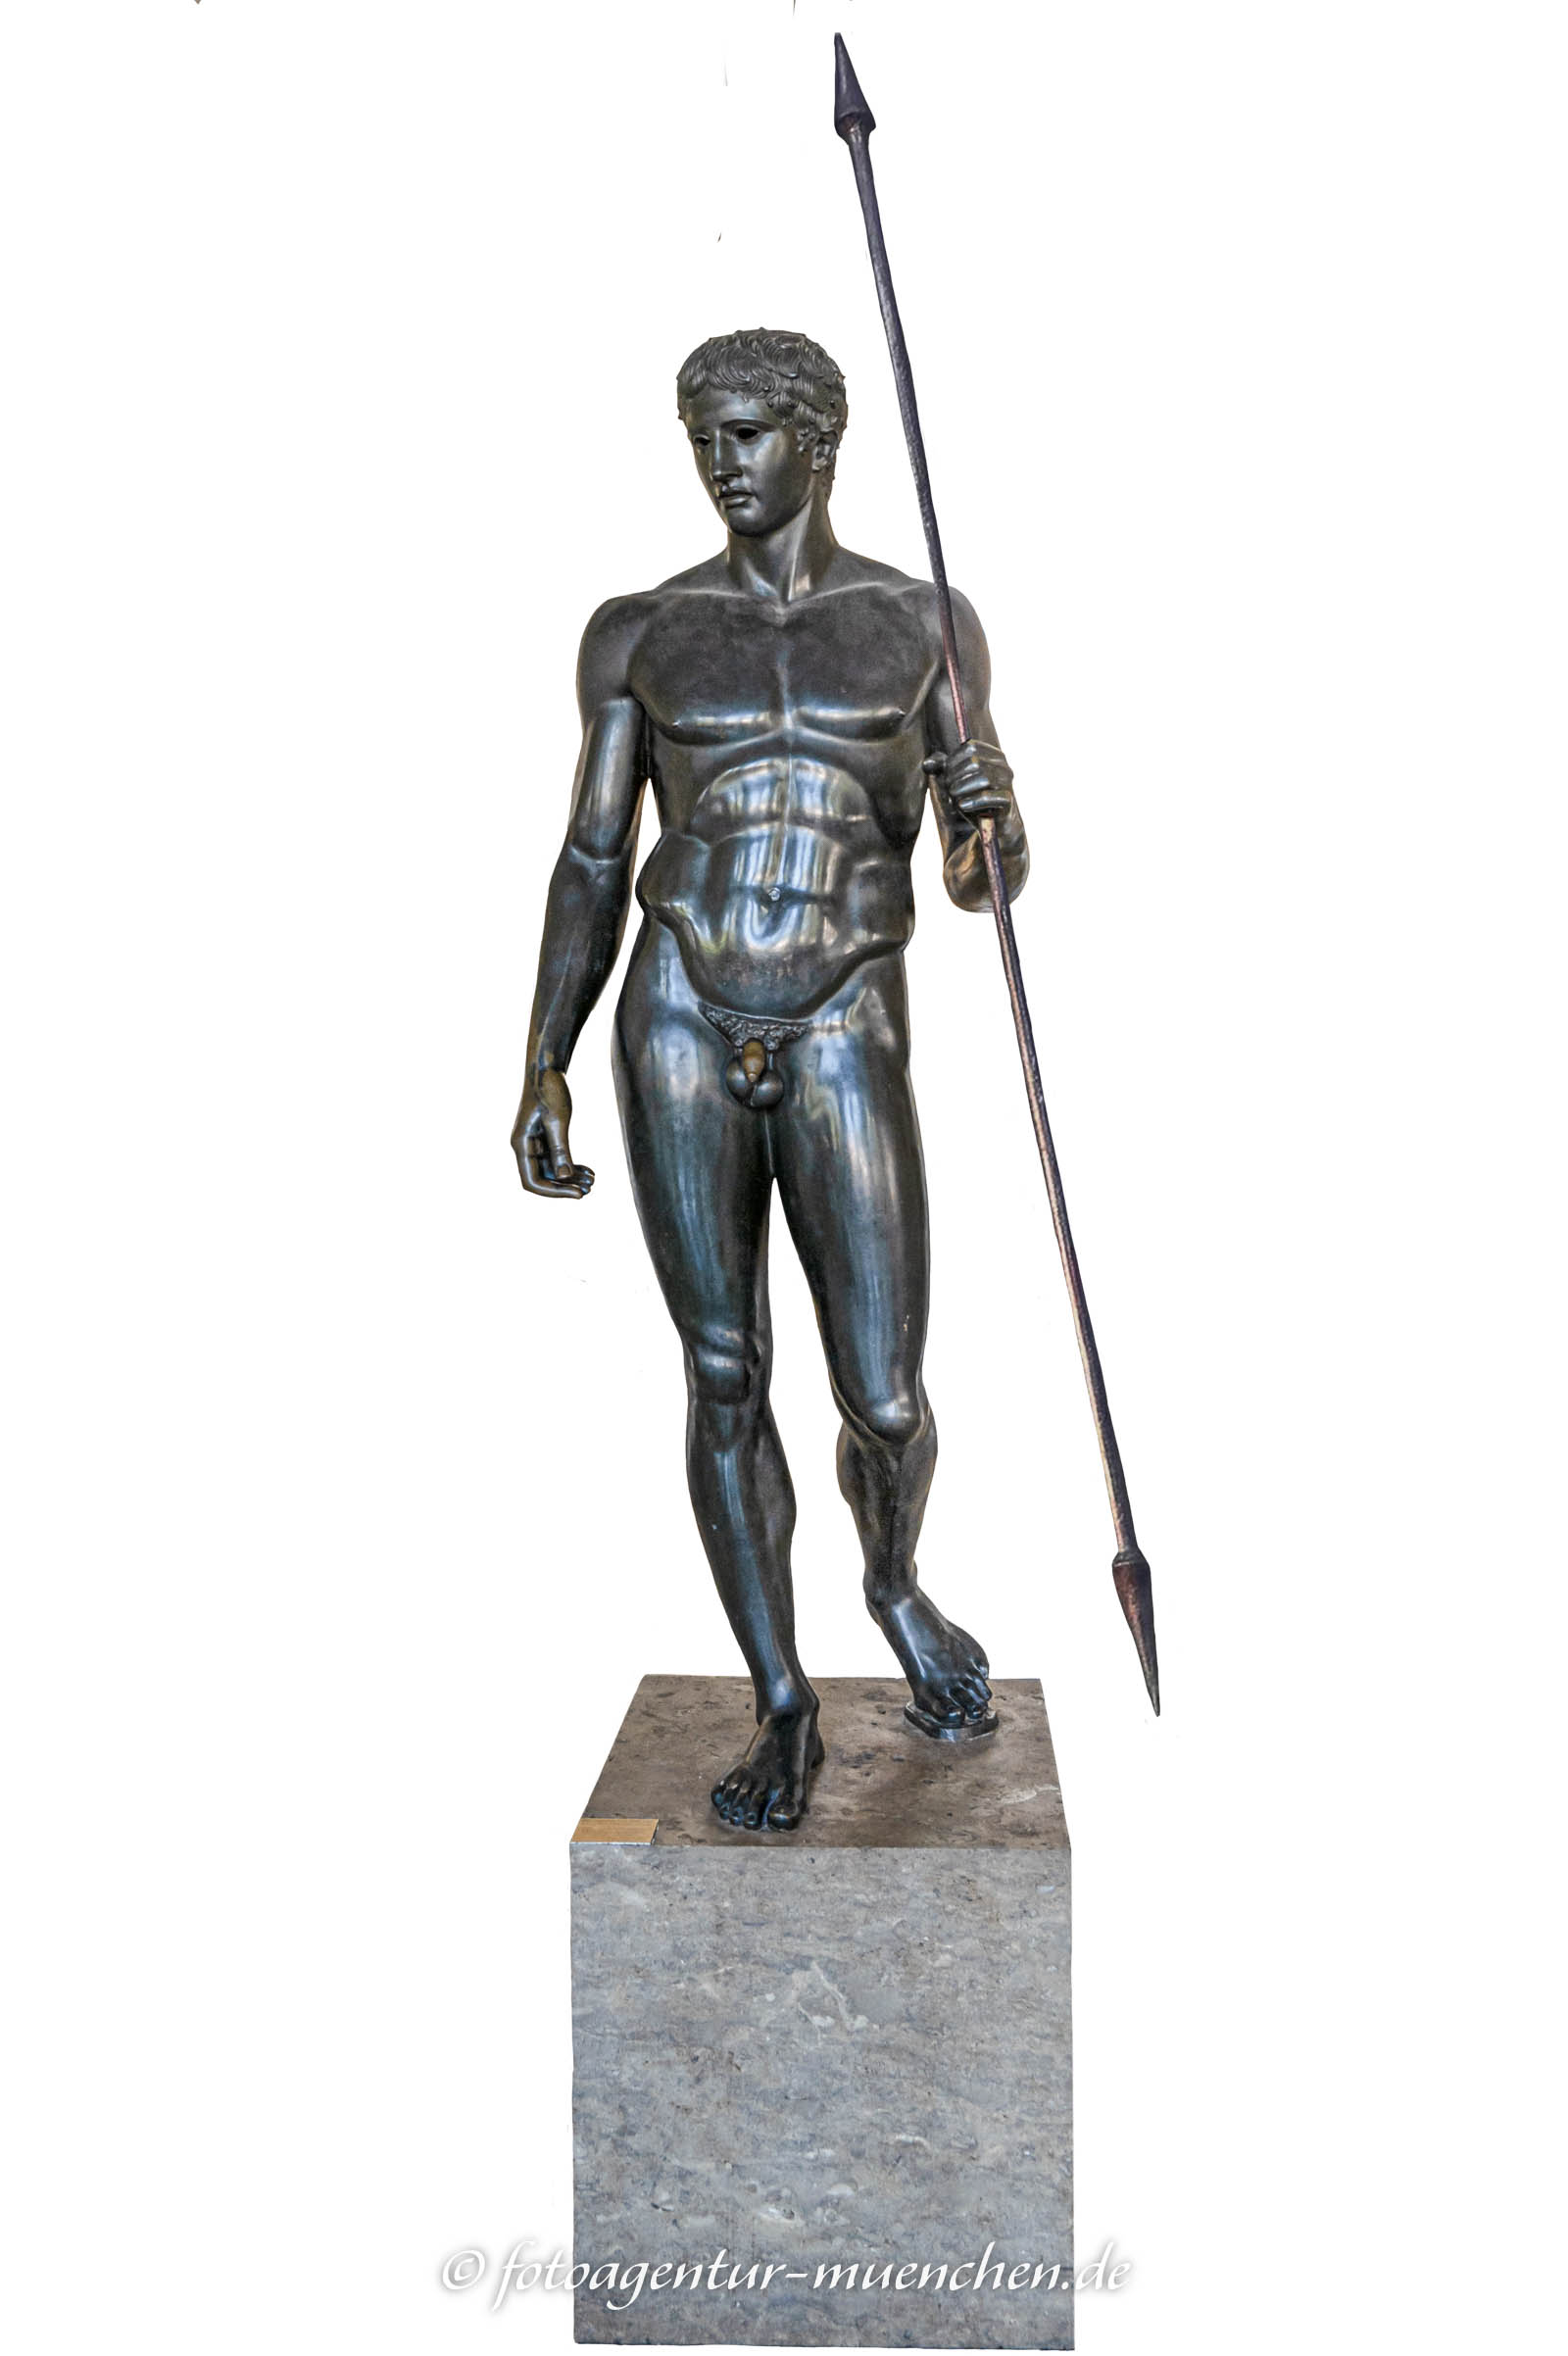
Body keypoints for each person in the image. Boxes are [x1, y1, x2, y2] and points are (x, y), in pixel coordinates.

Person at [513, 327, 1028, 1831]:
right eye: (703, 438)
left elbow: (980, 878)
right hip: (679, 1004)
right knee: (726, 1370)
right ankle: (783, 1699)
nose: (721, 464)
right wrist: (543, 1056)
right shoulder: (640, 633)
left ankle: (893, 1582)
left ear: (819, 438)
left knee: (885, 1395)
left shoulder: (923, 624)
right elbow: (593, 857)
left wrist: (993, 818)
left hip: (846, 1008)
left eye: (746, 434)